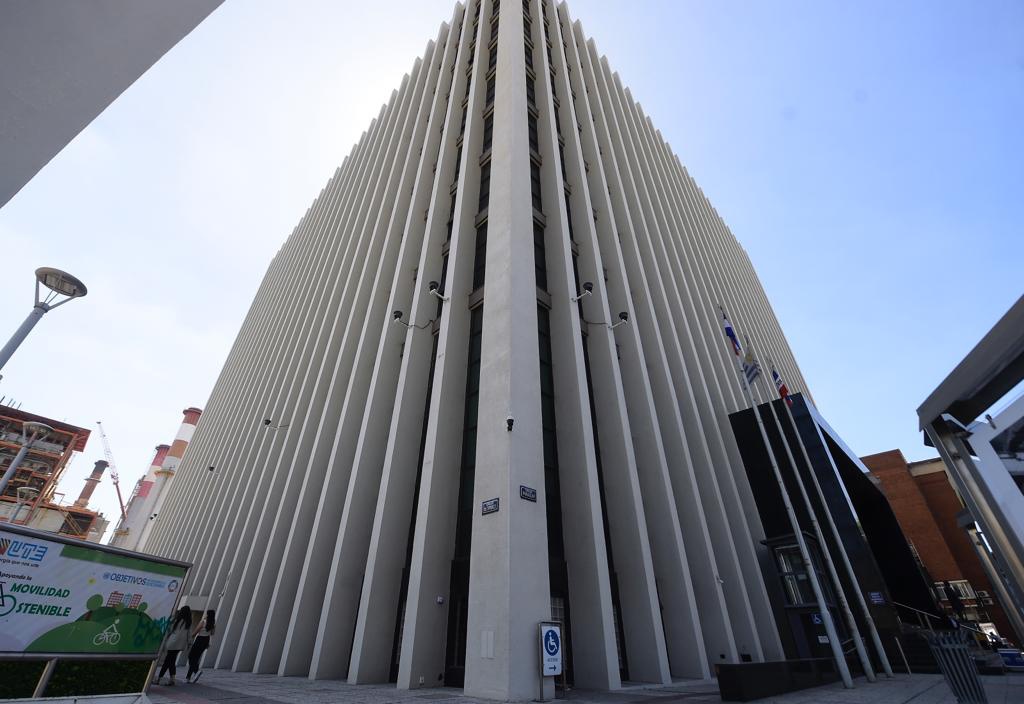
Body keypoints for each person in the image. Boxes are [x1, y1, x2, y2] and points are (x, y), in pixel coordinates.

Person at [156, 606, 192, 686]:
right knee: (171, 661)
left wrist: (164, 639)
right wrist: (190, 643)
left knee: (167, 661)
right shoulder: (188, 622)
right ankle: (172, 679)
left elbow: (169, 630)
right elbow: (189, 634)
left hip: (172, 643)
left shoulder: (177, 619)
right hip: (180, 645)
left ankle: (159, 679)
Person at [186, 610, 215, 683]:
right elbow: (212, 633)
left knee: (191, 657)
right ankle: (189, 677)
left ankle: (195, 672)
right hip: (206, 641)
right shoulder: (213, 624)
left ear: (207, 614)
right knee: (196, 658)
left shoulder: (203, 621)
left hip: (200, 639)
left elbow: (196, 631)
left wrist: (190, 637)